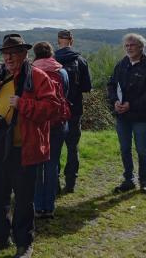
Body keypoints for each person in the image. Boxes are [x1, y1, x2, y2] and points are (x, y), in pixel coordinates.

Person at [0, 34, 60, 258]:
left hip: (25, 150)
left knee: (24, 200)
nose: (9, 57)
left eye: (13, 53)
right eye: (5, 53)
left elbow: (52, 108)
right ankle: (0, 236)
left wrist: (23, 104)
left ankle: (24, 243)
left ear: (24, 54)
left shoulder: (37, 76)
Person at [107, 33, 146, 194]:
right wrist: (115, 101)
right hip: (122, 115)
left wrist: (131, 105)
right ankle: (128, 180)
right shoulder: (121, 64)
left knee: (141, 149)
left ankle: (144, 182)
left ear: (141, 47)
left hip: (141, 116)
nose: (129, 48)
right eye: (127, 46)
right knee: (124, 149)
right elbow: (111, 85)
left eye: (132, 45)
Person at [31, 42, 70, 219]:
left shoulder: (31, 71)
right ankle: (50, 205)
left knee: (37, 165)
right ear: (51, 53)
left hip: (38, 123)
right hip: (58, 122)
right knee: (52, 163)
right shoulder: (61, 71)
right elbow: (65, 94)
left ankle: (38, 206)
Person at [54, 29, 92, 193]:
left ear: (58, 41)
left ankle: (53, 182)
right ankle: (70, 183)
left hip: (55, 111)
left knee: (54, 148)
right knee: (72, 147)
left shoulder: (51, 60)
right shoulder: (80, 60)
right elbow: (87, 87)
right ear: (71, 41)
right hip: (74, 109)